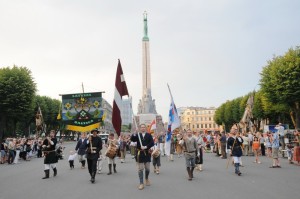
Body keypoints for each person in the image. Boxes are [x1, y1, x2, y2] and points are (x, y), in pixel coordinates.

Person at [131, 124, 154, 190]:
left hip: (146, 153)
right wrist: (135, 133)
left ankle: (146, 178)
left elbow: (152, 143)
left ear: (145, 128)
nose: (143, 128)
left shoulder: (149, 135)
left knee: (147, 169)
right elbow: (132, 139)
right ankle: (141, 183)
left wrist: (146, 147)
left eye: (144, 127)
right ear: (140, 128)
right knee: (140, 169)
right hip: (140, 153)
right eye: (142, 127)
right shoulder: (138, 135)